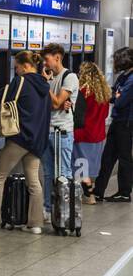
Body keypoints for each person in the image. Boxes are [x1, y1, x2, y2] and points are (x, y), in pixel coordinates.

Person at [0, 51, 50, 234]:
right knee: (34, 183)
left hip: (19, 138)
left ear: (25, 66)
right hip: (37, 141)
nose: (15, 71)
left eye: (16, 67)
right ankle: (36, 224)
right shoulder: (44, 86)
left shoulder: (20, 82)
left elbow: (3, 101)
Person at [40, 43, 80, 195]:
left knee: (63, 173)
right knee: (48, 173)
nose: (45, 63)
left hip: (62, 132)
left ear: (57, 58)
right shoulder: (50, 78)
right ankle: (49, 210)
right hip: (47, 131)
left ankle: (66, 212)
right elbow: (48, 105)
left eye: (47, 59)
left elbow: (56, 102)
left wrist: (46, 84)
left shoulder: (69, 77)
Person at [94, 47, 133, 203]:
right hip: (118, 121)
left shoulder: (131, 79)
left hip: (126, 122)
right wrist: (115, 95)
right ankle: (98, 191)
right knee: (108, 157)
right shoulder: (124, 77)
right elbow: (110, 95)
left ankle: (124, 192)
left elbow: (120, 101)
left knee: (124, 158)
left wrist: (116, 96)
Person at [74, 60, 111, 204]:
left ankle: (88, 196)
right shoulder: (104, 91)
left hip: (83, 134)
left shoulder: (83, 91)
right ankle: (89, 194)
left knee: (80, 166)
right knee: (90, 166)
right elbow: (106, 114)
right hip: (98, 134)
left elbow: (77, 114)